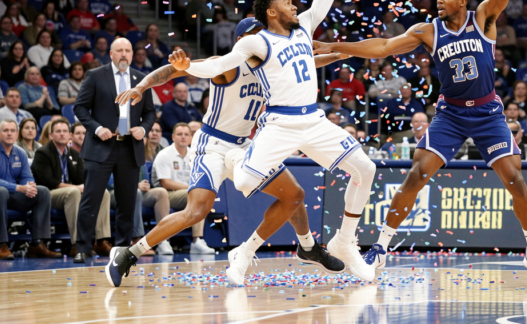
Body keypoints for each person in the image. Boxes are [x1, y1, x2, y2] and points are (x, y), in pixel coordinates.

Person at [312, 0, 527, 286]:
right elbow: (384, 46)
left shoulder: (484, 18)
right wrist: (337, 47)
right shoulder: (428, 30)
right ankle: (381, 246)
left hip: (489, 112)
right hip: (451, 114)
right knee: (415, 176)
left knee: (515, 179)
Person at [176, 0, 381, 283]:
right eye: (286, 1)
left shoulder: (303, 29)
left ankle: (345, 241)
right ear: (272, 12)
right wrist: (187, 68)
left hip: (313, 120)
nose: (293, 4)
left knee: (366, 168)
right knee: (241, 180)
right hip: (280, 124)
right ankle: (236, 164)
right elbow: (221, 66)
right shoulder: (256, 42)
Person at [106, 18, 349, 287]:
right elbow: (175, 71)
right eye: (257, 35)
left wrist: (341, 53)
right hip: (212, 145)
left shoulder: (272, 66)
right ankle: (129, 254)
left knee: (294, 195)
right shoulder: (227, 65)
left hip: (244, 145)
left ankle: (308, 247)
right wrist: (141, 87)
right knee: (196, 211)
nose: (265, 40)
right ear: (242, 41)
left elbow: (309, 63)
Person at [71, 38, 157, 264]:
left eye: (128, 50)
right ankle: (82, 247)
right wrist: (96, 128)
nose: (124, 54)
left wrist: (144, 128)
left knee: (127, 202)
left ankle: (121, 251)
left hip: (130, 147)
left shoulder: (141, 79)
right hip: (101, 146)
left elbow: (150, 113)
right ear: (111, 54)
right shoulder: (95, 76)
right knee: (91, 199)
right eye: (119, 50)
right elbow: (80, 107)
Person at [32, 119, 112, 257]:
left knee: (103, 193)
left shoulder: (74, 154)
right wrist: (76, 187)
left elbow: (81, 179)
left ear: (69, 135)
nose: (62, 134)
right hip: (48, 194)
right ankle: (77, 244)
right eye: (58, 131)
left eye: (64, 131)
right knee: (74, 191)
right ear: (51, 135)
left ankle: (100, 241)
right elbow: (48, 181)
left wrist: (87, 186)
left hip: (70, 193)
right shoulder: (43, 153)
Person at [0, 119, 61, 260]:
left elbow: (27, 177)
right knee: (0, 191)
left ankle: (37, 243)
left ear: (17, 134)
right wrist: (20, 187)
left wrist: (29, 187)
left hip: (13, 196)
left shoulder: (20, 153)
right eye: (6, 130)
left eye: (13, 130)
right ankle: (0, 244)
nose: (9, 134)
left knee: (42, 191)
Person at [150, 123, 214, 254]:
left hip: (186, 194)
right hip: (167, 194)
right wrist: (191, 187)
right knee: (197, 193)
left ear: (191, 137)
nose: (183, 137)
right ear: (173, 137)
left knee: (201, 194)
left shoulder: (195, 155)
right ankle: (163, 241)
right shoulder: (164, 154)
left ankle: (197, 241)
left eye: (186, 134)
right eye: (179, 134)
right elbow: (166, 183)